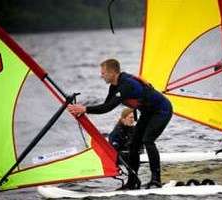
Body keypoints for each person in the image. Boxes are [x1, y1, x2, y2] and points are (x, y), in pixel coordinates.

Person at [68, 58, 172, 189]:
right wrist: (84, 110)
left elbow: (108, 107)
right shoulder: (114, 87)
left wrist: (85, 109)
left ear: (112, 72)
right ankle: (132, 181)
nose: (102, 75)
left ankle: (156, 180)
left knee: (148, 140)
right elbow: (105, 106)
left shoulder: (127, 85)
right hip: (147, 113)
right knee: (134, 145)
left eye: (103, 72)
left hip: (162, 110)